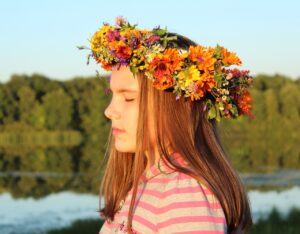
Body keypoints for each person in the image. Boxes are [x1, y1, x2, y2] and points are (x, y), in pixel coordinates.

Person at [81, 16, 253, 233]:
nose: (109, 111)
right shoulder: (149, 180)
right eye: (113, 95)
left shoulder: (184, 193)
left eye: (129, 98)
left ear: (175, 106)